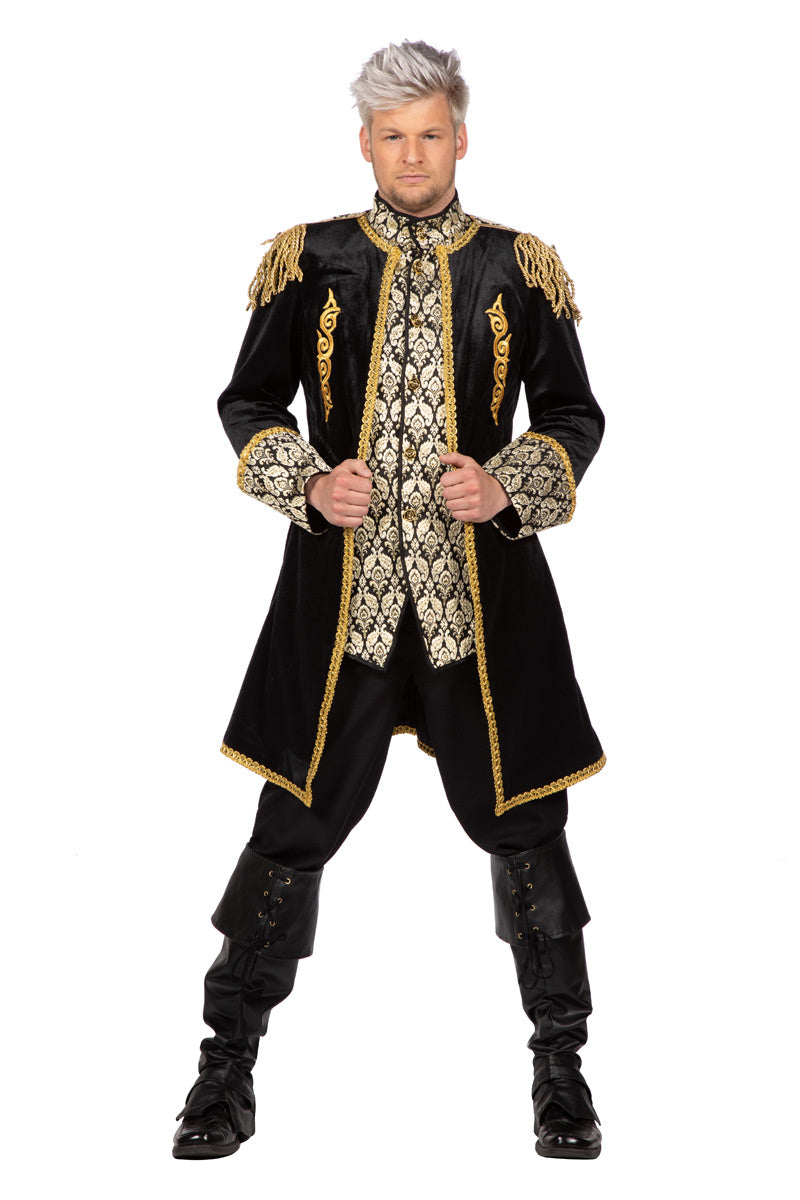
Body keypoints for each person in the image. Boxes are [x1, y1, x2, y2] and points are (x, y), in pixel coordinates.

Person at [173, 39, 605, 1162]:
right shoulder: (310, 261)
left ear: (462, 138)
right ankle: (224, 1068)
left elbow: (572, 417)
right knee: (293, 824)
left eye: (430, 133)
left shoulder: (517, 267)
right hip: (341, 609)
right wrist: (309, 483)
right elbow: (247, 402)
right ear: (364, 143)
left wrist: (505, 484)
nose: (412, 156)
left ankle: (561, 1071)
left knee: (524, 825)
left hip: (482, 606)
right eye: (392, 136)